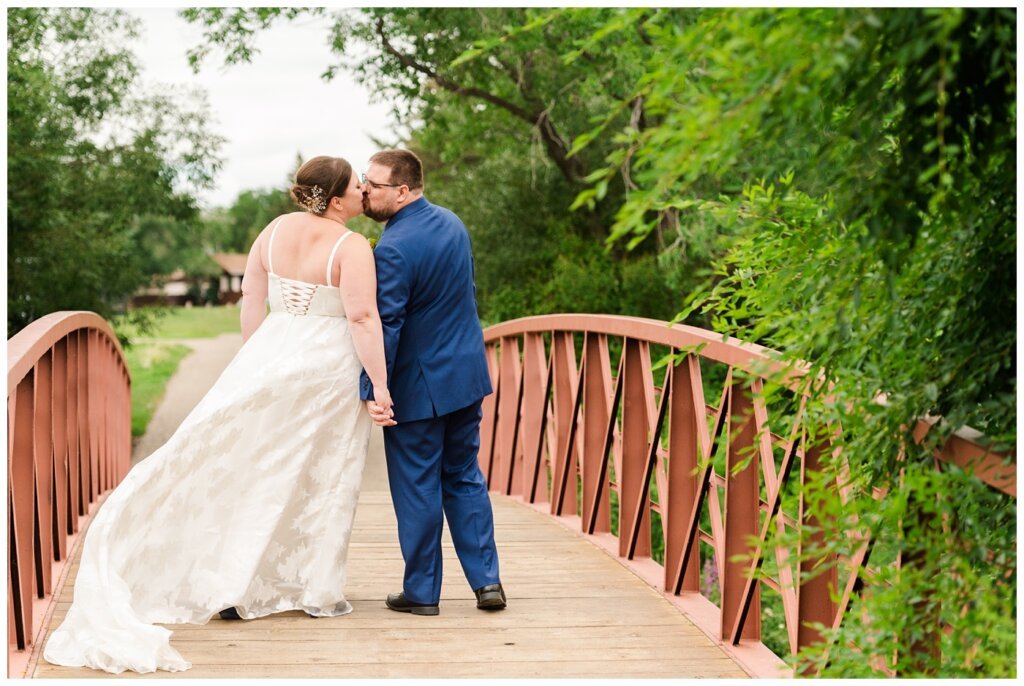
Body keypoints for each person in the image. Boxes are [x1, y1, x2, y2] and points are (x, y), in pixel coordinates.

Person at [42, 156, 394, 674]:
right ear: (337, 199)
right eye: (358, 188)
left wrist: (255, 361)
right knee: (317, 475)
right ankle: (312, 585)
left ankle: (236, 578)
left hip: (272, 353)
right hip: (326, 371)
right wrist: (380, 385)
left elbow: (252, 297)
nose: (365, 192)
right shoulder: (352, 246)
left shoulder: (272, 232)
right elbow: (362, 317)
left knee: (254, 469)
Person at [359, 149, 505, 616]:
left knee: (418, 486)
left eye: (373, 185)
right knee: (464, 477)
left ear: (402, 191)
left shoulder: (394, 248)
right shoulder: (452, 223)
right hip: (465, 377)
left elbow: (388, 324)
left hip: (418, 390)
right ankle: (488, 583)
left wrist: (372, 388)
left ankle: (422, 593)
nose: (364, 191)